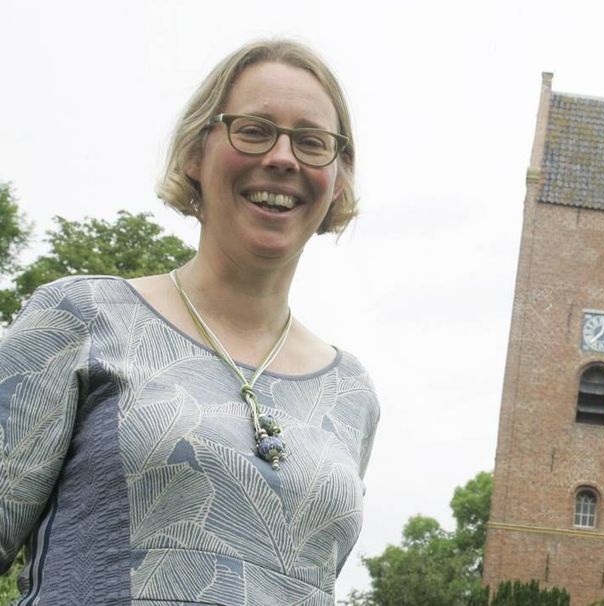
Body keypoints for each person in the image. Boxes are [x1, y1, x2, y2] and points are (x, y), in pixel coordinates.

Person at [0, 39, 380, 605]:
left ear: (339, 179)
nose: (283, 157)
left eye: (312, 142)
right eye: (253, 130)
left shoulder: (351, 393)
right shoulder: (80, 319)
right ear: (194, 155)